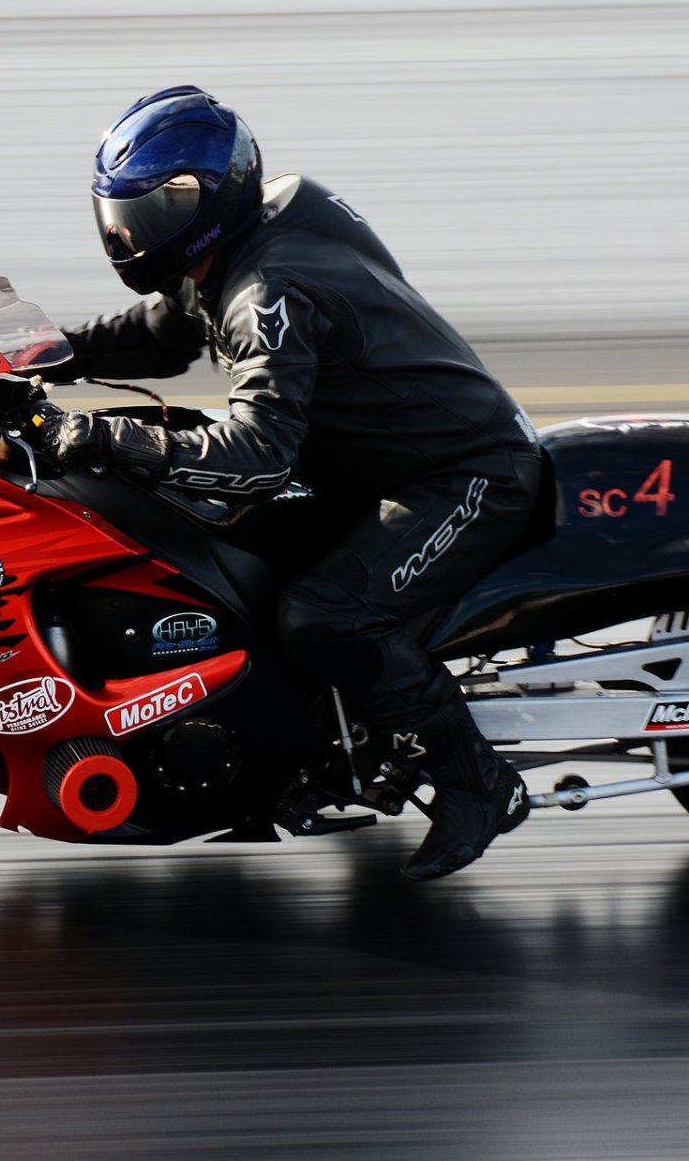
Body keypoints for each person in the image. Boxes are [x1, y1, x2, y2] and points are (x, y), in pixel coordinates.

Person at [38, 86, 541, 879]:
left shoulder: (267, 291)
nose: (129, 232)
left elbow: (261, 450)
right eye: (120, 212)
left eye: (153, 210)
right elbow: (164, 333)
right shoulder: (244, 236)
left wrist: (104, 434)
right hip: (360, 461)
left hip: (460, 472)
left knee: (325, 616)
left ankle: (478, 780)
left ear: (209, 199)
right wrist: (41, 355)